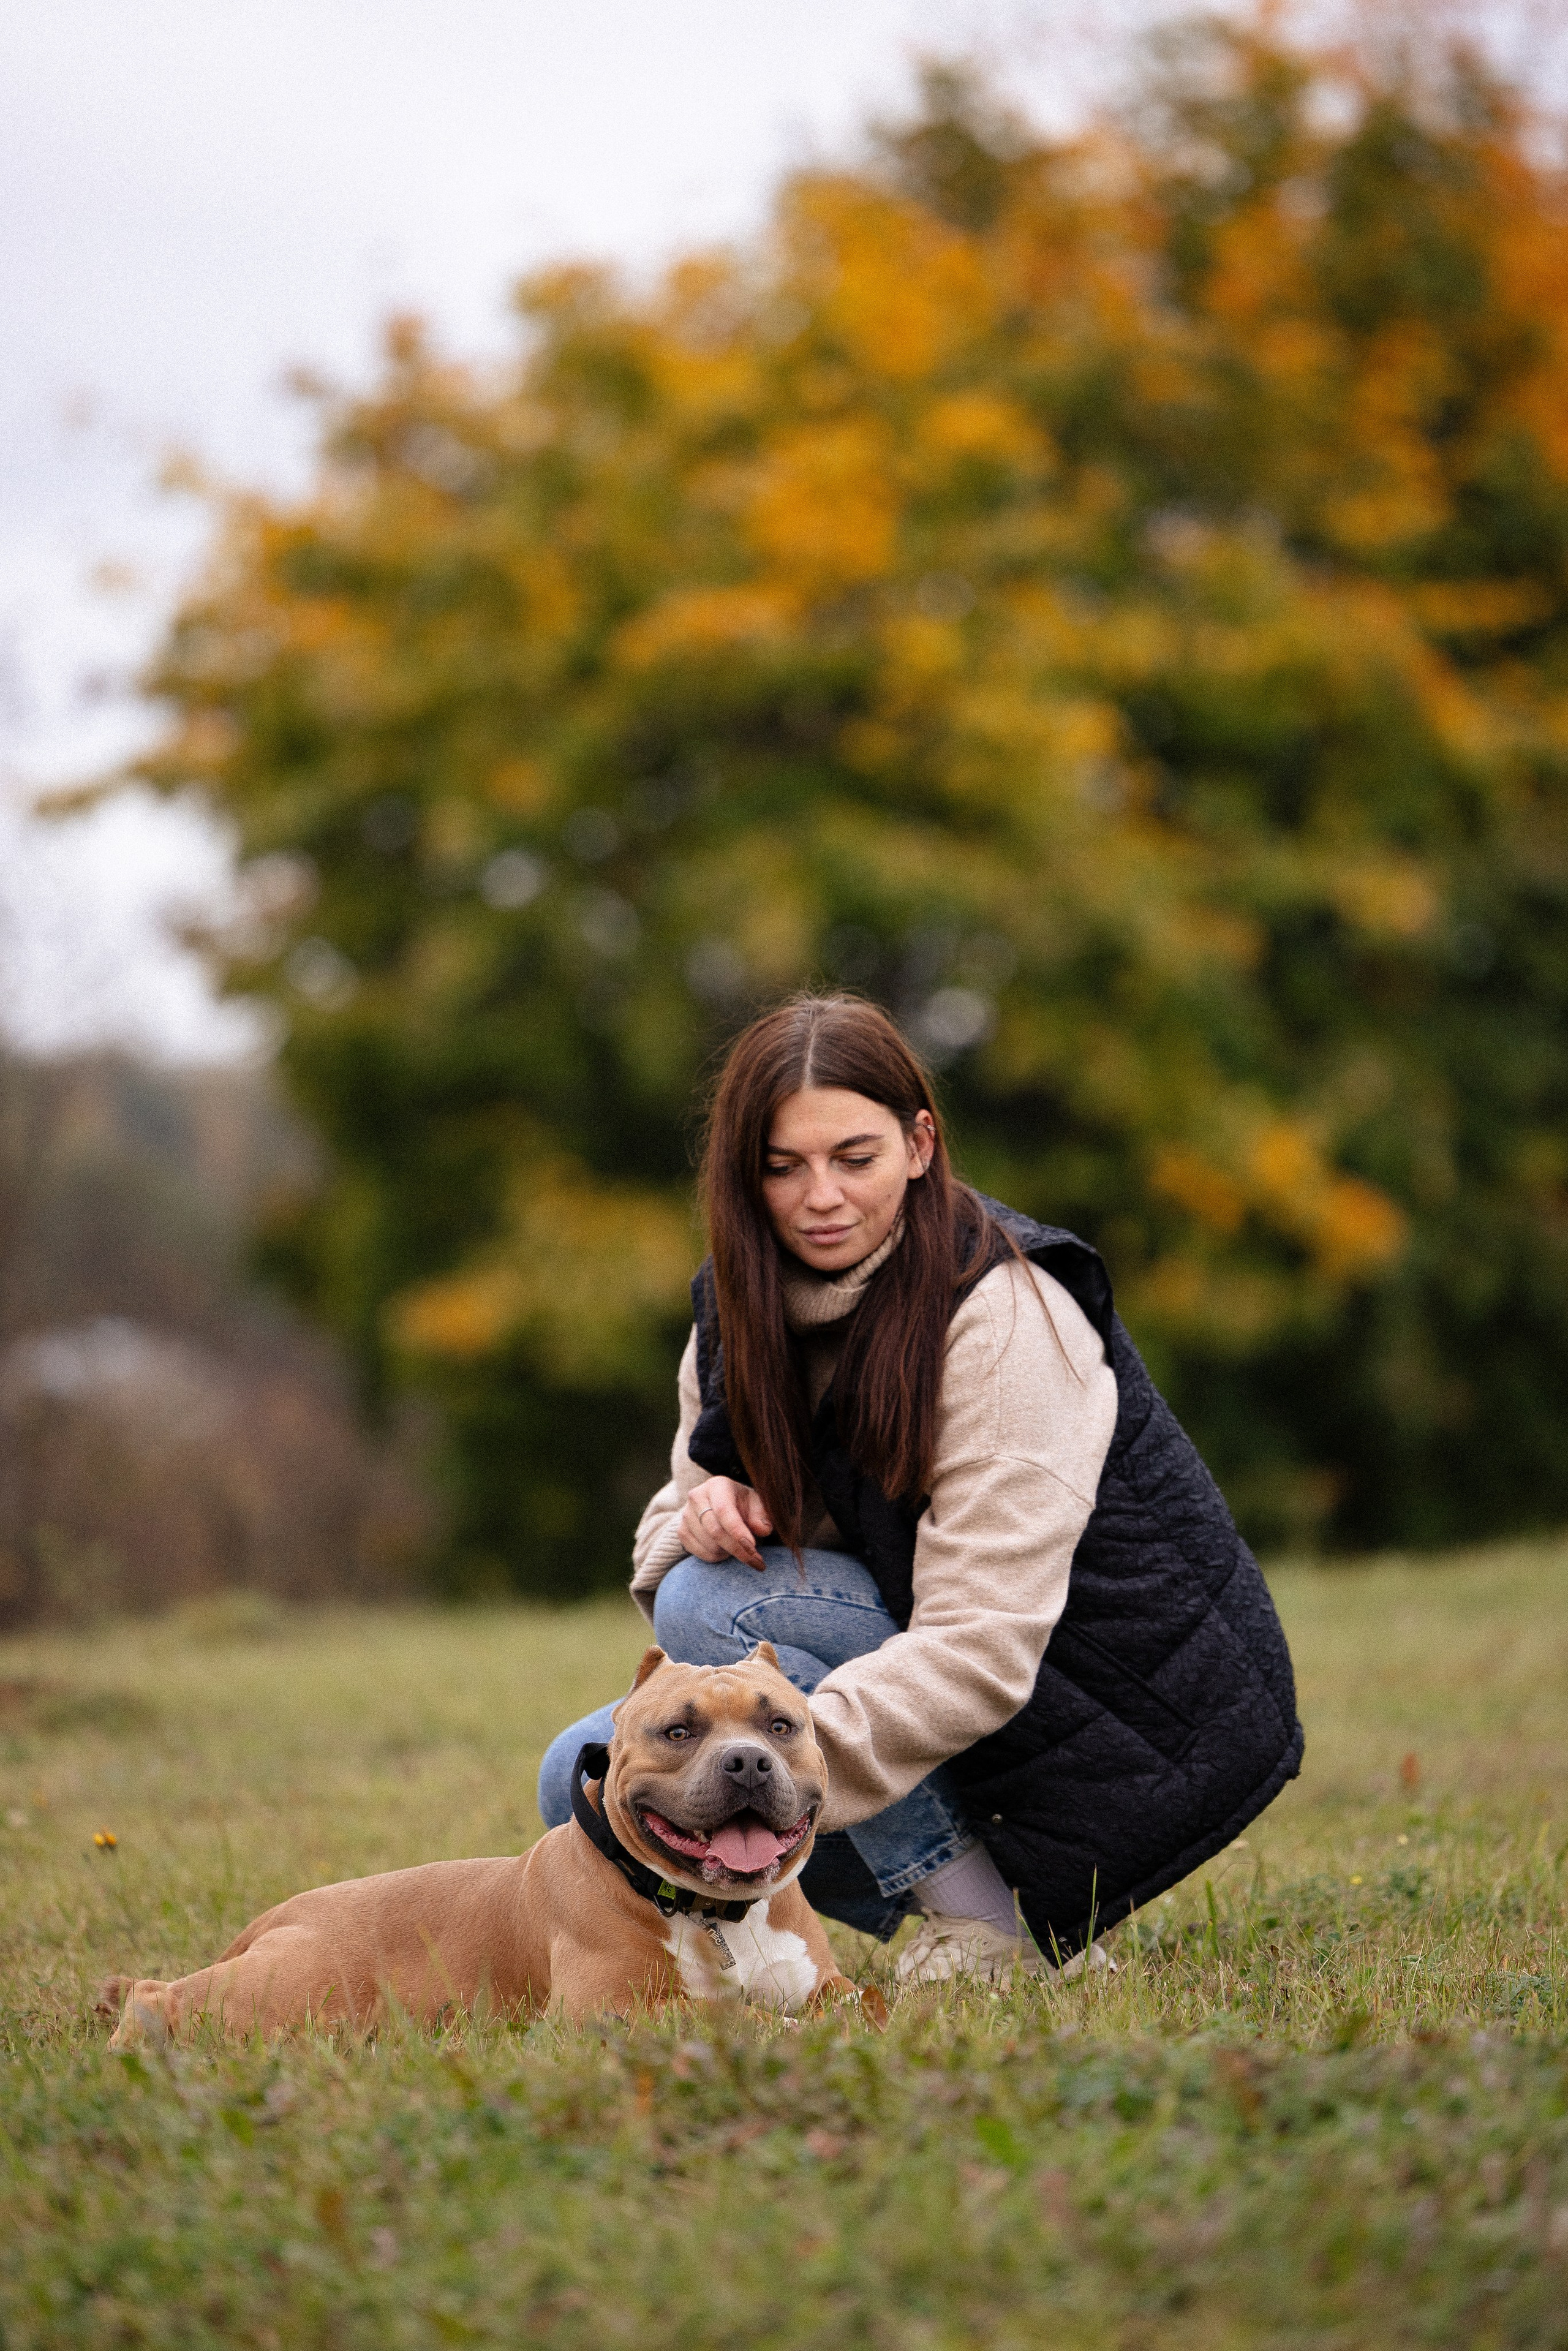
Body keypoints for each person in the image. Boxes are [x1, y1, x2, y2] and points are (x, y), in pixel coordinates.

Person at [538, 994, 1302, 1983]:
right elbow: (692, 1491)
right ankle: (820, 1945)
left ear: (919, 1142)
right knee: (587, 1777)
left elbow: (984, 1639)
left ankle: (993, 1927)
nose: (821, 1197)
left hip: (1114, 1706)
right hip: (936, 1673)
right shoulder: (739, 1304)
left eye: (854, 1158)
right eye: (783, 1166)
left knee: (714, 1604)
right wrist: (703, 1510)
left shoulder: (1006, 1314)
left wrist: (784, 1763)